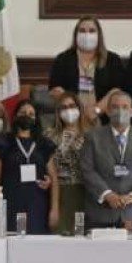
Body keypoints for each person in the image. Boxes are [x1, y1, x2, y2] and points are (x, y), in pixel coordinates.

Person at [80, 91, 132, 230]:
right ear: (108, 111)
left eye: (125, 107)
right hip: (101, 213)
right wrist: (107, 194)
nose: (120, 111)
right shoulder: (93, 137)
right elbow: (87, 169)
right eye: (115, 107)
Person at [0, 99, 58, 234]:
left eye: (31, 114)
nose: (27, 116)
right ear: (15, 115)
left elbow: (54, 179)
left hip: (37, 202)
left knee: (37, 246)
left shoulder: (44, 144)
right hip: (11, 201)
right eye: (23, 113)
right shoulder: (3, 141)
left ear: (36, 119)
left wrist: (55, 209)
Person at [49, 16, 125, 125]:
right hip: (70, 119)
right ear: (76, 35)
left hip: (103, 121)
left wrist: (96, 110)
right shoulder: (63, 59)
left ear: (99, 36)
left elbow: (117, 91)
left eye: (92, 31)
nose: (87, 35)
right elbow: (55, 90)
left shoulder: (112, 60)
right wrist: (76, 110)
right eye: (82, 31)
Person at [43, 92, 89, 234]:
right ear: (58, 112)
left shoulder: (91, 134)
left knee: (81, 237)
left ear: (79, 108)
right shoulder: (49, 135)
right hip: (58, 192)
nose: (68, 110)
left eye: (71, 106)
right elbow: (43, 164)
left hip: (84, 192)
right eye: (63, 107)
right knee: (59, 236)